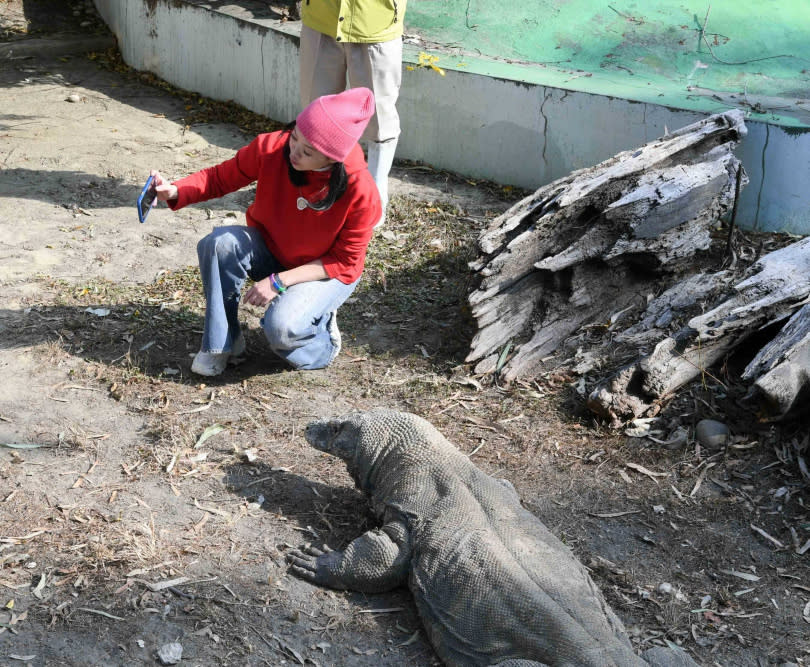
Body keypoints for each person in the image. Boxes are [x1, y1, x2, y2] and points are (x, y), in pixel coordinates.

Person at [150, 87, 381, 376]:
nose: (293, 151)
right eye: (295, 137)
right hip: (273, 251)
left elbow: (345, 262)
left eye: (307, 152)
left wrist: (278, 282)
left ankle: (322, 341)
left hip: (324, 272)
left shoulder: (361, 191)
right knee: (219, 244)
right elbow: (220, 178)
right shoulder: (274, 147)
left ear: (333, 159)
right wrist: (175, 190)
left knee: (282, 327)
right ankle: (223, 344)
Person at [299, 0, 406, 226]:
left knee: (379, 116)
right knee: (315, 111)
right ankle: (317, 188)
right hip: (320, 16)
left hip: (376, 21)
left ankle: (376, 197)